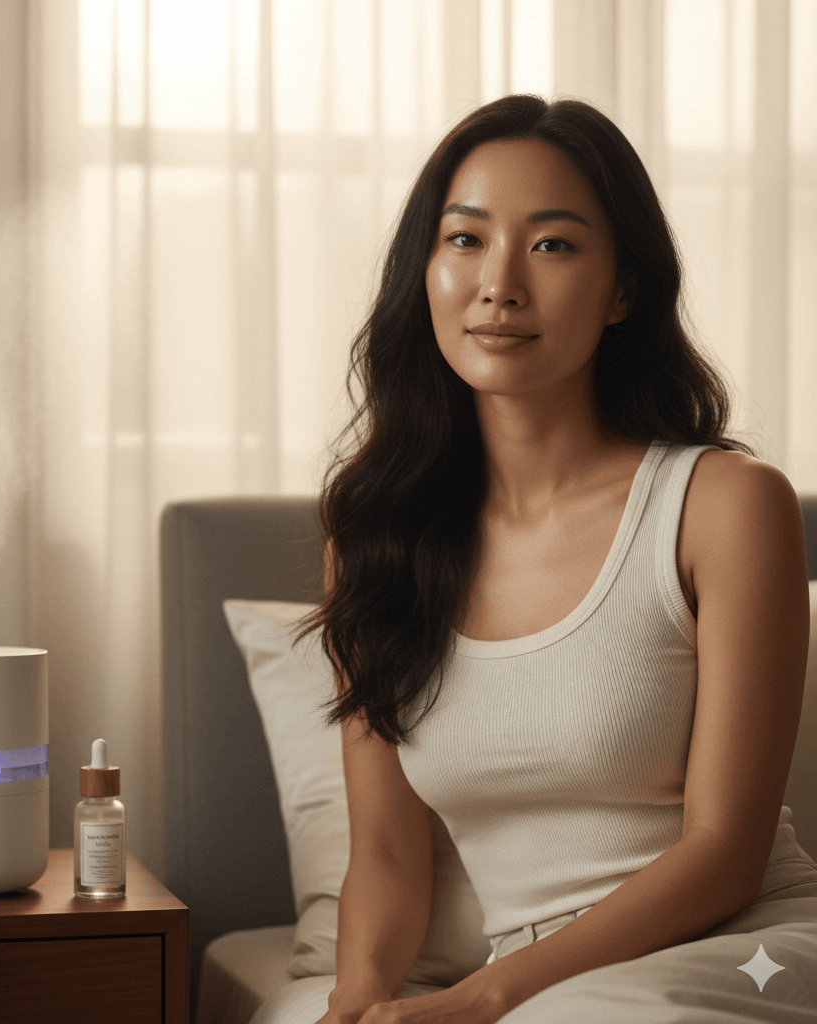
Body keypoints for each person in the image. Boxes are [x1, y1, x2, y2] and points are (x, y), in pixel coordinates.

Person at [253, 94, 817, 1024]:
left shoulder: (725, 506)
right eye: (465, 240)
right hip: (544, 990)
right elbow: (389, 859)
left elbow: (726, 852)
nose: (499, 284)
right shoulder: (374, 539)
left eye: (553, 245)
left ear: (624, 290)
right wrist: (353, 1006)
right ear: (424, 270)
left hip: (749, 951)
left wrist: (484, 999)